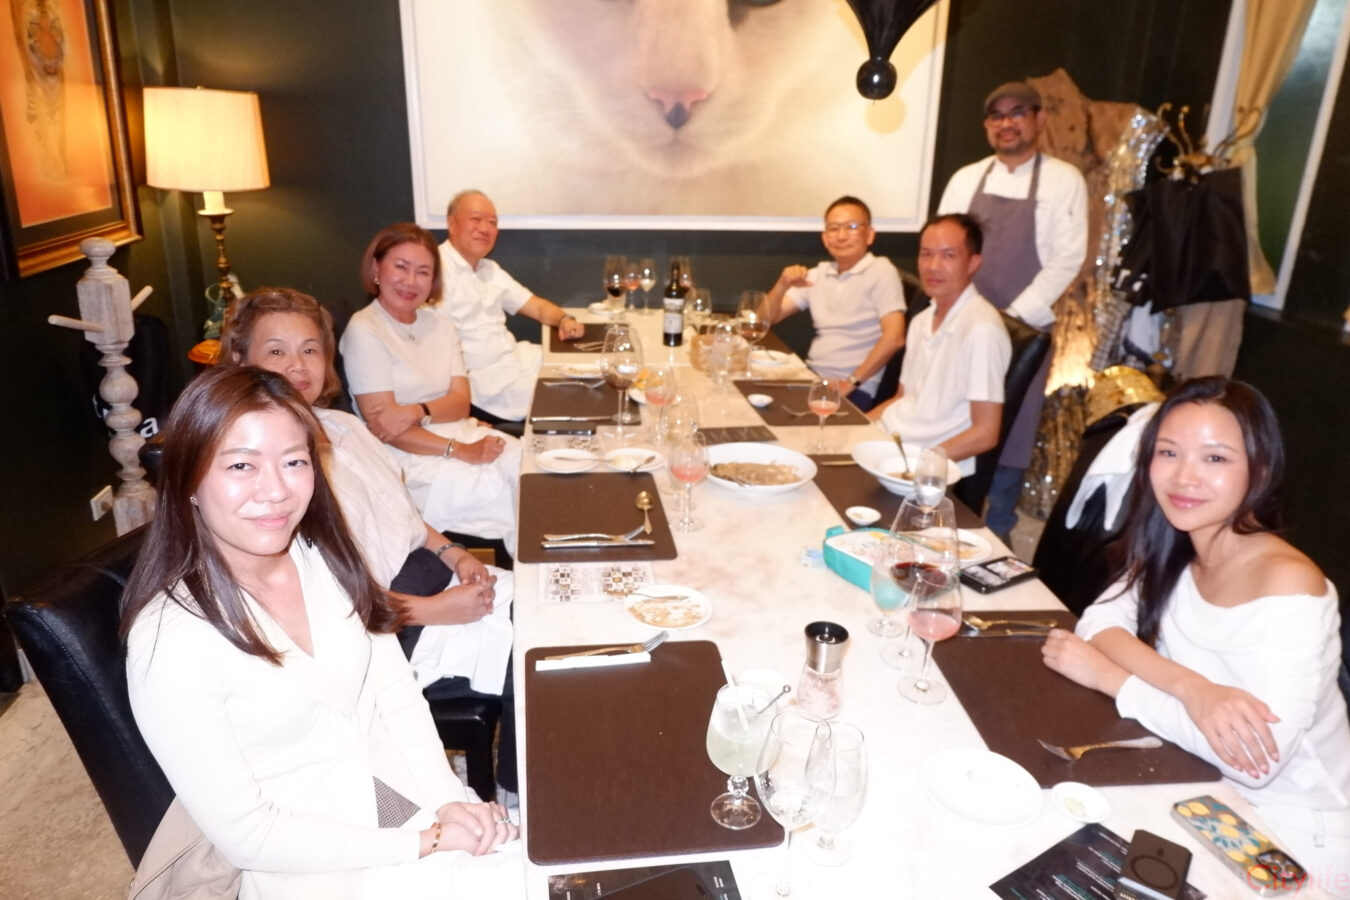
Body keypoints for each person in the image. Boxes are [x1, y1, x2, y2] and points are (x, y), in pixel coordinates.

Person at [121, 367, 521, 899]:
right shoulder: (169, 640)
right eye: (241, 465)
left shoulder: (320, 559)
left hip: (393, 804)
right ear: (189, 479)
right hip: (311, 866)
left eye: (294, 462)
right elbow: (251, 837)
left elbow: (394, 693)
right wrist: (427, 841)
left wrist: (448, 802)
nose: (276, 491)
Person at [1042, 377, 1349, 896]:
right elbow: (1099, 621)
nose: (1184, 477)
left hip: (1293, 840)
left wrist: (1113, 680)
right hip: (1196, 782)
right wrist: (1191, 688)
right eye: (1169, 452)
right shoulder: (1180, 541)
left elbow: (1254, 763)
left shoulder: (1289, 585)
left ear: (1261, 470)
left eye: (1215, 458)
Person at [220, 287, 518, 797]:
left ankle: (527, 782)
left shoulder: (343, 427)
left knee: (554, 618)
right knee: (528, 652)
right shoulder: (265, 477)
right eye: (276, 351)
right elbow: (313, 606)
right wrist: (434, 611)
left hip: (429, 580)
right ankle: (520, 797)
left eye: (309, 349)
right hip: (383, 629)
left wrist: (455, 553)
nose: (297, 365)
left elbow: (402, 515)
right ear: (240, 360)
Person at [938, 80, 1088, 539]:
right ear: (987, 125)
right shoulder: (966, 179)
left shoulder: (1064, 181)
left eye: (1017, 113)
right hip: (963, 324)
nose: (1007, 123)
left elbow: (1067, 258)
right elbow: (945, 249)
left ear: (1039, 119)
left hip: (1024, 331)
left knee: (1011, 432)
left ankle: (997, 531)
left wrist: (1011, 320)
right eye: (997, 115)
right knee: (954, 417)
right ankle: (942, 515)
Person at [340, 222, 521, 549]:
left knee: (529, 468)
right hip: (409, 461)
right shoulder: (365, 329)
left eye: (423, 272)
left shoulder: (441, 325)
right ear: (376, 268)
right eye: (401, 266)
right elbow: (388, 430)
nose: (411, 281)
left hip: (460, 433)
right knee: (504, 497)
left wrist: (413, 411)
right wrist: (460, 450)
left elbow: (460, 402)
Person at [867, 214, 1010, 477]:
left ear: (973, 263)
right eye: (926, 254)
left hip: (922, 463)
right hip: (890, 442)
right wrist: (858, 428)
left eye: (948, 256)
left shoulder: (982, 329)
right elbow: (902, 397)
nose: (933, 266)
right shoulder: (922, 319)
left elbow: (985, 433)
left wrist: (918, 465)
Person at [438, 190, 585, 420]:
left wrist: (564, 319)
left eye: (492, 222)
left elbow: (536, 306)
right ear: (451, 224)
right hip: (485, 381)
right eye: (476, 219)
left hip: (516, 358)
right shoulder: (433, 270)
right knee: (574, 399)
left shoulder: (489, 269)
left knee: (587, 368)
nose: (485, 229)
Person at [759, 195, 906, 411]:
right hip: (814, 378)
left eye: (852, 227)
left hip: (855, 388)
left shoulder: (881, 271)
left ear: (870, 234)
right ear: (825, 238)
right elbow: (764, 321)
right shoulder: (818, 274)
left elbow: (895, 337)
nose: (842, 236)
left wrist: (850, 383)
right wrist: (782, 284)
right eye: (834, 228)